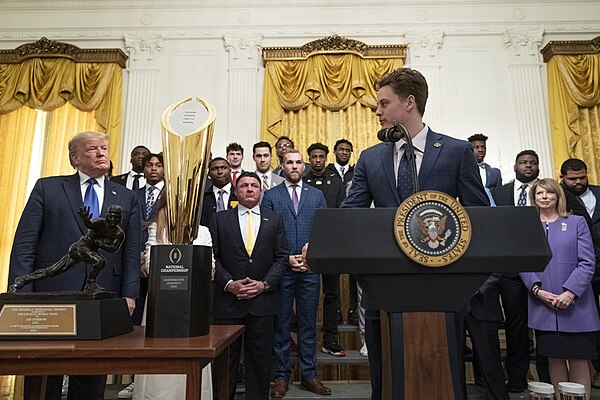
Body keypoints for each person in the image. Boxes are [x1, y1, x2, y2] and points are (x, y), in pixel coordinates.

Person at [341, 67, 489, 399]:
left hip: (444, 285)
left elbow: (478, 213)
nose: (377, 112)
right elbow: (351, 213)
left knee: (442, 375)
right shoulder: (370, 157)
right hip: (383, 286)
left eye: (383, 104)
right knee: (385, 380)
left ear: (409, 102)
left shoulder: (455, 151)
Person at [9, 131, 141, 400]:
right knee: (45, 376)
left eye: (104, 148)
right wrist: (22, 293)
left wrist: (129, 294)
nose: (102, 153)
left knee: (92, 375)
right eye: (93, 148)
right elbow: (25, 242)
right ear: (75, 158)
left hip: (103, 292)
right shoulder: (48, 188)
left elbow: (131, 251)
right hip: (52, 291)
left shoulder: (127, 196)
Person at [210, 172, 289, 400]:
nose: (250, 189)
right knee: (226, 361)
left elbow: (282, 257)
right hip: (228, 302)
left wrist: (264, 284)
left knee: (260, 361)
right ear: (236, 191)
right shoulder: (220, 219)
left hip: (262, 301)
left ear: (261, 191)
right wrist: (228, 283)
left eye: (254, 185)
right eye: (244, 185)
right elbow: (213, 257)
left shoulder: (274, 219)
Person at [520, 178, 600, 398]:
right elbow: (523, 264)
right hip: (543, 305)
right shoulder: (528, 228)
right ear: (533, 198)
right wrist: (537, 290)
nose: (544, 197)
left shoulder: (576, 222)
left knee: (578, 360)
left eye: (549, 193)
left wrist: (570, 293)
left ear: (558, 196)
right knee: (554, 359)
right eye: (539, 194)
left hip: (576, 305)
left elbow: (587, 262)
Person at [262, 150, 330, 398]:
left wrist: (310, 254)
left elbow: (323, 230)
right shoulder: (271, 196)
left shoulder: (317, 195)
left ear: (305, 166)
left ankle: (309, 375)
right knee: (281, 325)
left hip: (310, 269)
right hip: (282, 269)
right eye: (289, 162)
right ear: (282, 166)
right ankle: (281, 377)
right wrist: (286, 257)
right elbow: (266, 232)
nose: (294, 166)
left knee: (308, 324)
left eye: (298, 162)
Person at [133, 193, 213, 400]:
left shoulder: (203, 231)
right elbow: (151, 265)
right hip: (162, 306)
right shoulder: (156, 230)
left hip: (193, 308)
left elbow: (209, 268)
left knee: (192, 361)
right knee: (159, 368)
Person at [491, 149, 541, 391]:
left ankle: (531, 376)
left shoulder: (547, 192)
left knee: (529, 325)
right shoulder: (499, 193)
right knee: (508, 324)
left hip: (538, 267)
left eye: (532, 163)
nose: (528, 166)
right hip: (505, 269)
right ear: (515, 165)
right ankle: (506, 376)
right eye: (523, 162)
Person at [559, 158, 600, 387]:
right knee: (588, 324)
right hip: (580, 269)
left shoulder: (598, 193)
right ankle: (595, 369)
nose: (578, 182)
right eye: (572, 179)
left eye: (582, 177)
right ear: (562, 177)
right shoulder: (560, 198)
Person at [304, 142, 346, 357]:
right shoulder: (302, 181)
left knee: (332, 294)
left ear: (326, 158)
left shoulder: (336, 183)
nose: (318, 160)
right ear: (309, 159)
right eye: (314, 157)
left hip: (330, 245)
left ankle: (330, 339)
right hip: (306, 245)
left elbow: (341, 213)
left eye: (321, 156)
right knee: (306, 294)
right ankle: (306, 341)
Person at [200, 158, 237, 227]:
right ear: (209, 174)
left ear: (230, 171)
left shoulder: (239, 196)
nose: (220, 172)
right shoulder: (202, 198)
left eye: (224, 168)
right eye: (215, 169)